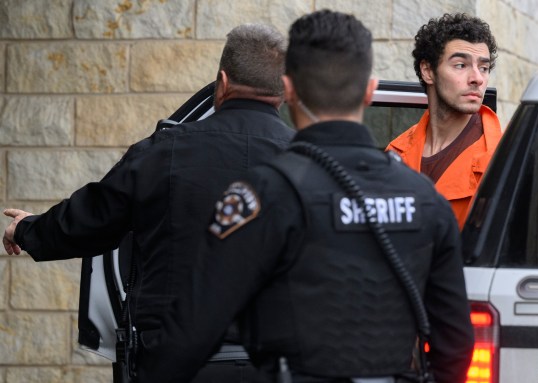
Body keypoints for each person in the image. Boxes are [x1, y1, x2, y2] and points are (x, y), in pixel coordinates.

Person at [136, 9, 475, 383]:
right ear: (369, 90)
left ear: (289, 89)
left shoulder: (262, 195)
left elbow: (190, 333)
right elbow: (455, 345)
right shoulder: (425, 199)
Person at [2, 23, 294, 383]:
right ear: (283, 91)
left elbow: (90, 220)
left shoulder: (165, 151)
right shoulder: (311, 161)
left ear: (222, 82)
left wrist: (28, 229)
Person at [386, 13, 502, 230]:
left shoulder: (503, 160)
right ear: (428, 71)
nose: (477, 78)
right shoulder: (395, 154)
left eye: (484, 67)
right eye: (461, 65)